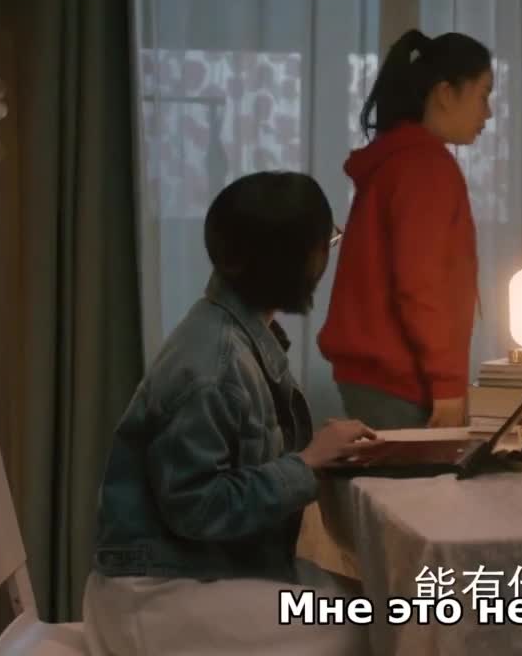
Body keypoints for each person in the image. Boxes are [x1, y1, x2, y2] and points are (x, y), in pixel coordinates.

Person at [83, 171, 377, 656]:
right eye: (327, 243)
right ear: (299, 261)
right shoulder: (214, 363)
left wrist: (314, 454)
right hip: (160, 593)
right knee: (380, 625)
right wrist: (306, 463)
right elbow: (197, 508)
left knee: (383, 605)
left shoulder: (233, 335)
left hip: (198, 572)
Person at [319, 29, 493, 430]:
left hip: (378, 378)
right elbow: (421, 284)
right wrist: (447, 384)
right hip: (399, 381)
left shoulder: (398, 161)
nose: (488, 113)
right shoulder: (425, 166)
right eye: (483, 95)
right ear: (445, 93)